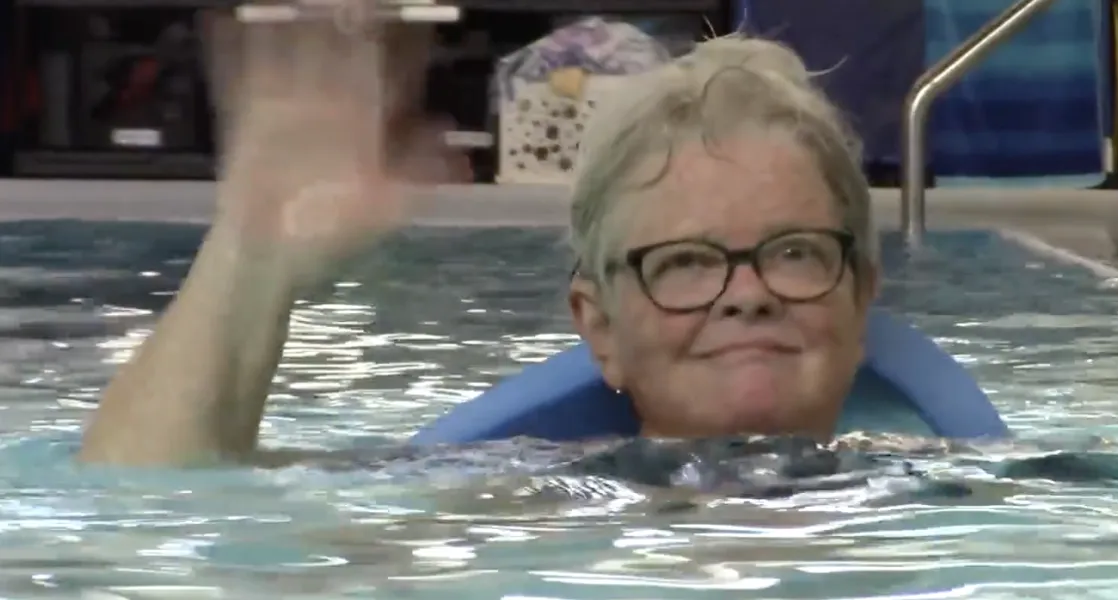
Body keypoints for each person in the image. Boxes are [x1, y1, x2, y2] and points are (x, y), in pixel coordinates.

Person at [77, 16, 879, 468]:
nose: (747, 295)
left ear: (862, 291)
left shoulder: (944, 496)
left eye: (794, 252)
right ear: (600, 327)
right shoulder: (506, 502)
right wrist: (251, 250)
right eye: (686, 263)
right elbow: (136, 514)